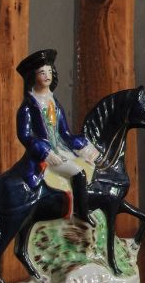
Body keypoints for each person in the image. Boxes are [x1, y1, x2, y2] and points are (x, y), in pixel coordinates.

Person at [15, 49, 97, 220]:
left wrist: (82, 145)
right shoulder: (28, 107)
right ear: (32, 76)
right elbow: (25, 136)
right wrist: (45, 152)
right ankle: (81, 214)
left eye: (49, 71)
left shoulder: (54, 103)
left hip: (61, 149)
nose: (47, 75)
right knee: (78, 172)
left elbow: (64, 133)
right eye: (42, 72)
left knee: (90, 164)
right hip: (45, 155)